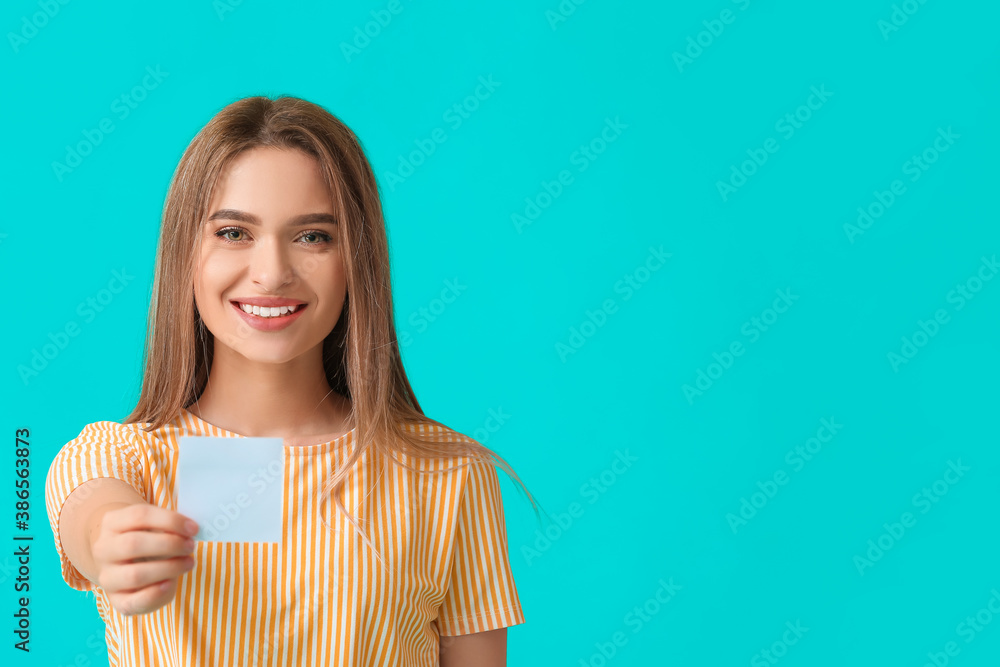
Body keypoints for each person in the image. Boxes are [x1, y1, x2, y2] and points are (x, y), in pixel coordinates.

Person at [44, 95, 539, 666]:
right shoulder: (125, 457)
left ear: (358, 260)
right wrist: (114, 539)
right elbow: (93, 508)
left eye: (313, 237)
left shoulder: (448, 474)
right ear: (185, 255)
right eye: (233, 232)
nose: (272, 272)